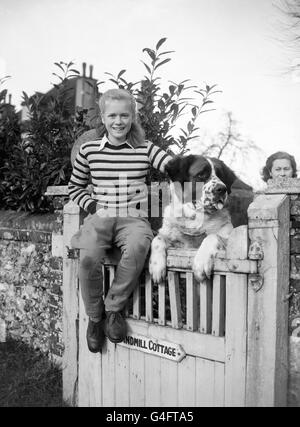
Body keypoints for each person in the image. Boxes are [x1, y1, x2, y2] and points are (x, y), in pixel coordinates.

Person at [68, 88, 172, 353]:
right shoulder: (89, 150)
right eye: (112, 115)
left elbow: (175, 166)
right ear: (103, 118)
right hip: (100, 216)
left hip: (133, 218)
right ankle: (95, 317)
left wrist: (203, 173)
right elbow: (75, 188)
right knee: (88, 256)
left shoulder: (144, 148)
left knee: (139, 246)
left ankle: (113, 308)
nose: (118, 121)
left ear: (132, 117)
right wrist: (93, 206)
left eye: (124, 115)